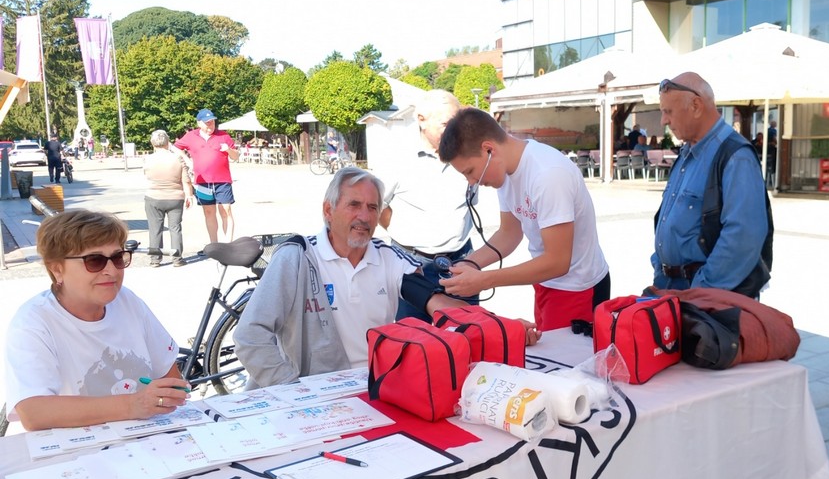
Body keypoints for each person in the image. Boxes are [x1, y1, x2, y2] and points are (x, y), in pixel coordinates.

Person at [233, 166, 542, 390]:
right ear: (329, 210)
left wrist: (504, 327)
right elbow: (250, 335)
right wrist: (291, 390)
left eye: (372, 207)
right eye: (354, 205)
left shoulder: (387, 257)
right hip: (313, 394)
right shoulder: (297, 257)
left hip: (374, 389)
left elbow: (439, 303)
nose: (364, 216)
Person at [3, 210, 190, 431]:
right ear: (56, 269)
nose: (111, 271)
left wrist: (167, 395)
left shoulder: (127, 300)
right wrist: (133, 404)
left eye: (118, 258)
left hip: (147, 439)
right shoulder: (33, 322)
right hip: (78, 447)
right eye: (94, 261)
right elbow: (33, 413)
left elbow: (171, 377)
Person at [437, 107, 611, 332]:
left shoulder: (548, 174)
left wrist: (484, 279)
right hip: (546, 282)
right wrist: (469, 264)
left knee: (564, 355)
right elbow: (509, 233)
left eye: (469, 171)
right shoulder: (505, 171)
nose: (471, 182)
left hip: (578, 287)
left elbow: (558, 261)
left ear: (489, 150)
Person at [652, 73, 770, 297]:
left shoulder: (735, 156)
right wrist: (661, 268)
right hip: (674, 289)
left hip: (708, 299)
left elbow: (743, 238)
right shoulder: (687, 152)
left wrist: (701, 291)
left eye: (668, 112)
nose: (663, 121)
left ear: (696, 106)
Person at [380, 89, 476, 322]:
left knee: (468, 333)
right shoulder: (396, 157)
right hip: (412, 265)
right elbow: (377, 206)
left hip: (462, 261)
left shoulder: (468, 154)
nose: (454, 130)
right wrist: (401, 231)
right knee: (414, 339)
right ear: (421, 120)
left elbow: (471, 204)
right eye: (446, 123)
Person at [175, 108, 240, 245]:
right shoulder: (191, 136)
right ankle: (214, 244)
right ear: (199, 123)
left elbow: (235, 156)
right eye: (207, 122)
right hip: (202, 181)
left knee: (226, 210)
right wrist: (187, 160)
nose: (211, 125)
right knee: (209, 212)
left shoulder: (223, 136)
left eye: (212, 122)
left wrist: (228, 150)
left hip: (222, 181)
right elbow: (175, 148)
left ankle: (228, 244)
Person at [143, 129, 193, 267]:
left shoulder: (147, 159)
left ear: (152, 143)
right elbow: (186, 180)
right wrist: (189, 195)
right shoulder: (177, 158)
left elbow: (146, 175)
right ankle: (177, 259)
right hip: (175, 198)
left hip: (153, 197)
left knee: (155, 229)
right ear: (168, 142)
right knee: (175, 229)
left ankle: (155, 260)